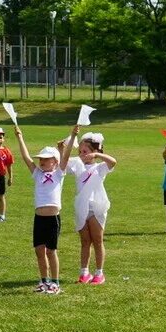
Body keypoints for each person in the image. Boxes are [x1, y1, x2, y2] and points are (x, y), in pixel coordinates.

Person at [14, 124, 74, 294]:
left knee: (51, 251)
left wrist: (73, 136)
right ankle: (43, 281)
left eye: (46, 159)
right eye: (41, 159)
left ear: (55, 161)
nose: (42, 161)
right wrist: (20, 137)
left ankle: (55, 282)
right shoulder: (37, 174)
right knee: (39, 250)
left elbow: (66, 156)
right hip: (39, 218)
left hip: (52, 218)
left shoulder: (58, 174)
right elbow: (26, 158)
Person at [65, 128, 118, 285]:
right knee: (85, 241)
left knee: (97, 240)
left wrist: (97, 155)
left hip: (97, 208)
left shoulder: (100, 167)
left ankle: (99, 273)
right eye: (80, 151)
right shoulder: (77, 164)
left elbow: (113, 162)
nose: (82, 154)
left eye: (86, 151)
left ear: (94, 151)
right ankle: (84, 272)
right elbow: (63, 162)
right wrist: (63, 147)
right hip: (82, 207)